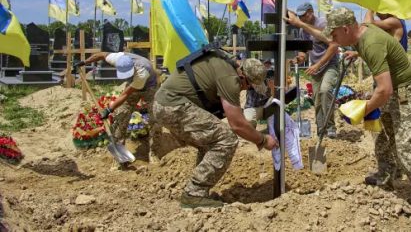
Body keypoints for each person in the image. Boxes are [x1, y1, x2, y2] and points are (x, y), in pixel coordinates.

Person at [323, 7, 411, 218]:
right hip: (392, 88)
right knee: (384, 136)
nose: (333, 39)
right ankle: (386, 176)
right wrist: (357, 53)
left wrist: (362, 110)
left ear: (346, 29)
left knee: (404, 146)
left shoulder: (371, 43)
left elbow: (384, 90)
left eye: (334, 34)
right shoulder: (360, 33)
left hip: (404, 90)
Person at [153, 55, 278, 208]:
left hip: (166, 103)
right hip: (173, 105)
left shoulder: (227, 65)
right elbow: (237, 125)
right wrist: (263, 140)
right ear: (243, 77)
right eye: (249, 86)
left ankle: (197, 191)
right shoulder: (231, 79)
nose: (246, 89)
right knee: (227, 139)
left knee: (210, 141)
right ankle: (194, 194)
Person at [78, 51, 161, 163]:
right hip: (132, 85)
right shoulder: (117, 58)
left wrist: (109, 109)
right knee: (121, 115)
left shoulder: (142, 72)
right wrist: (84, 62)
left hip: (150, 87)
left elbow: (125, 95)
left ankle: (154, 153)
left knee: (155, 118)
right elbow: (101, 55)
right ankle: (118, 156)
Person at [286, 2, 339, 138]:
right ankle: (321, 128)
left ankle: (330, 127)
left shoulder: (323, 24)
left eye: (304, 15)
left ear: (311, 12)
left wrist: (318, 64)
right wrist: (300, 58)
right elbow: (304, 50)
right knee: (317, 99)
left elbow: (333, 46)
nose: (301, 19)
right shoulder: (302, 31)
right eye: (300, 17)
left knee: (325, 91)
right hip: (316, 69)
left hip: (329, 65)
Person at [243, 58, 275, 128]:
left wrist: (272, 87)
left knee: (276, 106)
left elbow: (273, 95)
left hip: (266, 106)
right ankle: (252, 132)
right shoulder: (253, 77)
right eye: (266, 64)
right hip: (253, 107)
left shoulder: (269, 76)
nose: (267, 66)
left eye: (269, 64)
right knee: (248, 119)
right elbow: (260, 90)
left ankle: (273, 129)